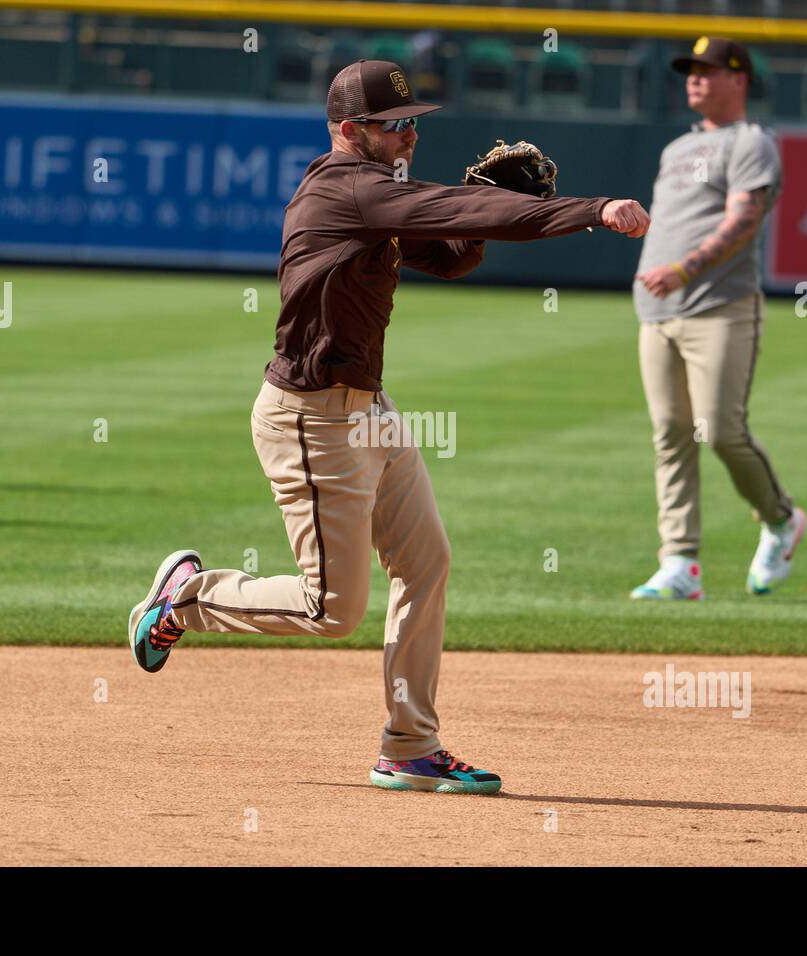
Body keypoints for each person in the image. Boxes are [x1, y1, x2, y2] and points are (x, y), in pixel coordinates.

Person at [128, 59, 650, 794]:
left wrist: (484, 204)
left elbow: (455, 248)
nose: (409, 137)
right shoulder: (346, 190)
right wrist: (590, 210)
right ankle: (185, 597)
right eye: (394, 126)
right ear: (350, 131)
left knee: (425, 560)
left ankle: (410, 745)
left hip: (368, 413)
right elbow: (470, 219)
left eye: (413, 123)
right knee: (330, 610)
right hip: (309, 421)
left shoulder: (384, 193)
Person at [630, 37, 805, 602]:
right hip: (657, 312)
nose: (695, 79)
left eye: (708, 70)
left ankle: (780, 519)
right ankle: (680, 563)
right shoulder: (676, 148)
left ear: (739, 79)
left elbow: (744, 220)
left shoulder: (752, 141)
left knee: (722, 431)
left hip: (721, 307)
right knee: (670, 435)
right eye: (690, 70)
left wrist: (682, 268)